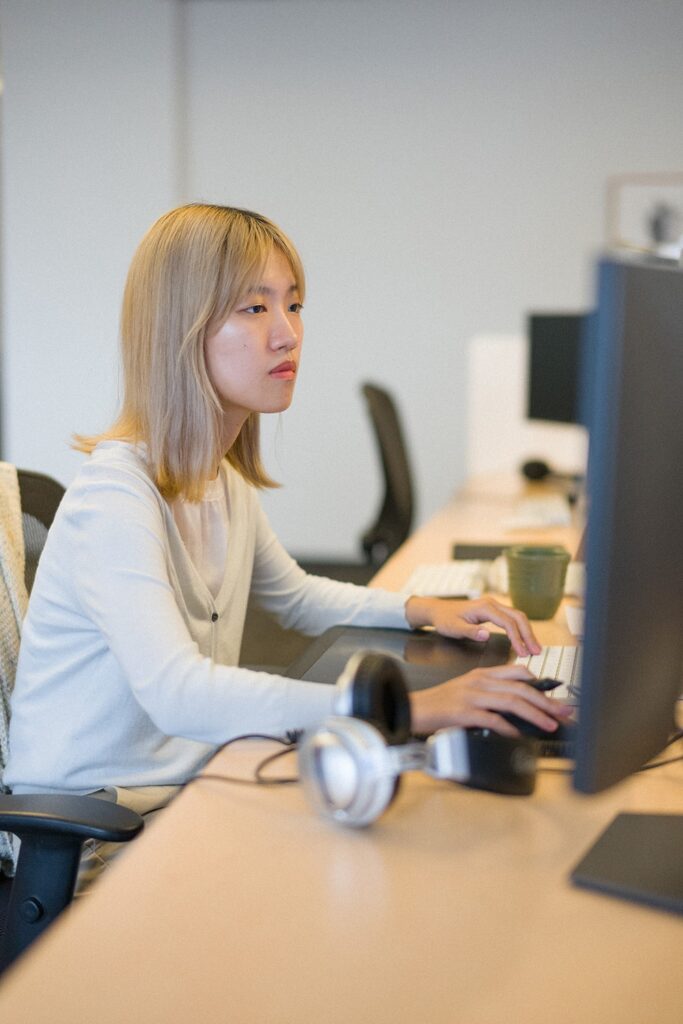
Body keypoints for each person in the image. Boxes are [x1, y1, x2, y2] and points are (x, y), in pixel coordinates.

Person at [6, 204, 572, 885]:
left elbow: (295, 597)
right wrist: (407, 711)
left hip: (189, 780)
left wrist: (421, 609)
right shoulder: (115, 498)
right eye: (253, 308)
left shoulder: (218, 478)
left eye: (294, 305)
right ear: (178, 333)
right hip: (94, 830)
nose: (287, 335)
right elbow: (179, 693)